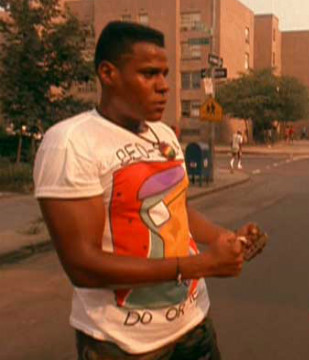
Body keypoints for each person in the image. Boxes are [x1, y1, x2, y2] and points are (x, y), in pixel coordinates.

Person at [33, 21, 260, 359]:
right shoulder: (71, 143)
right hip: (123, 345)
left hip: (193, 325)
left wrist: (225, 240)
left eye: (165, 74)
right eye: (149, 74)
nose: (164, 87)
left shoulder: (163, 135)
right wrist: (199, 265)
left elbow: (176, 208)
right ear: (108, 74)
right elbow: (82, 265)